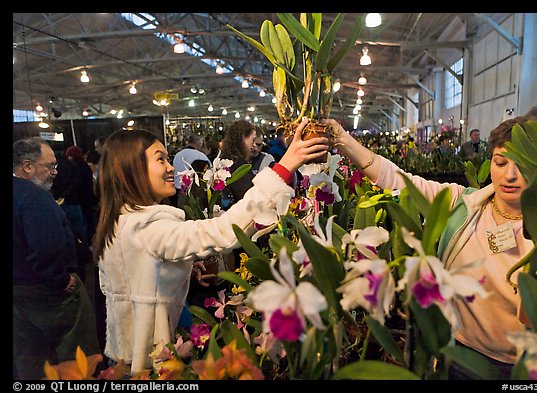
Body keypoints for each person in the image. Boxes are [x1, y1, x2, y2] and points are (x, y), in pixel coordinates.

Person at [91, 118, 328, 375]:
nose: (171, 168)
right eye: (160, 160)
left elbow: (135, 271)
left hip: (123, 353)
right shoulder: (148, 227)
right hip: (149, 363)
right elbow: (223, 231)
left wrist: (180, 266)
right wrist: (284, 169)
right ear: (130, 169)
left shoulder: (121, 220)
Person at [325, 116, 535, 379]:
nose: (510, 175)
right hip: (456, 349)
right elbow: (398, 181)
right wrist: (343, 140)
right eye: (500, 162)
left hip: (521, 365)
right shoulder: (463, 204)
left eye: (523, 165)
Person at [13, 136, 101, 380]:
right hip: (48, 292)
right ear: (27, 166)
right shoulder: (34, 197)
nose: (54, 173)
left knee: (30, 358)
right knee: (77, 355)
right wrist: (60, 279)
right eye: (50, 166)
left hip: (18, 292)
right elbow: (46, 246)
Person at [220, 120, 259, 210]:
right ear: (243, 138)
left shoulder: (226, 160)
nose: (254, 146)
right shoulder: (238, 165)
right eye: (253, 140)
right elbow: (246, 195)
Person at [171, 134, 211, 208]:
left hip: (178, 193)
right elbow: (210, 173)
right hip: (195, 194)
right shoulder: (200, 156)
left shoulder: (178, 155)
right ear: (200, 143)